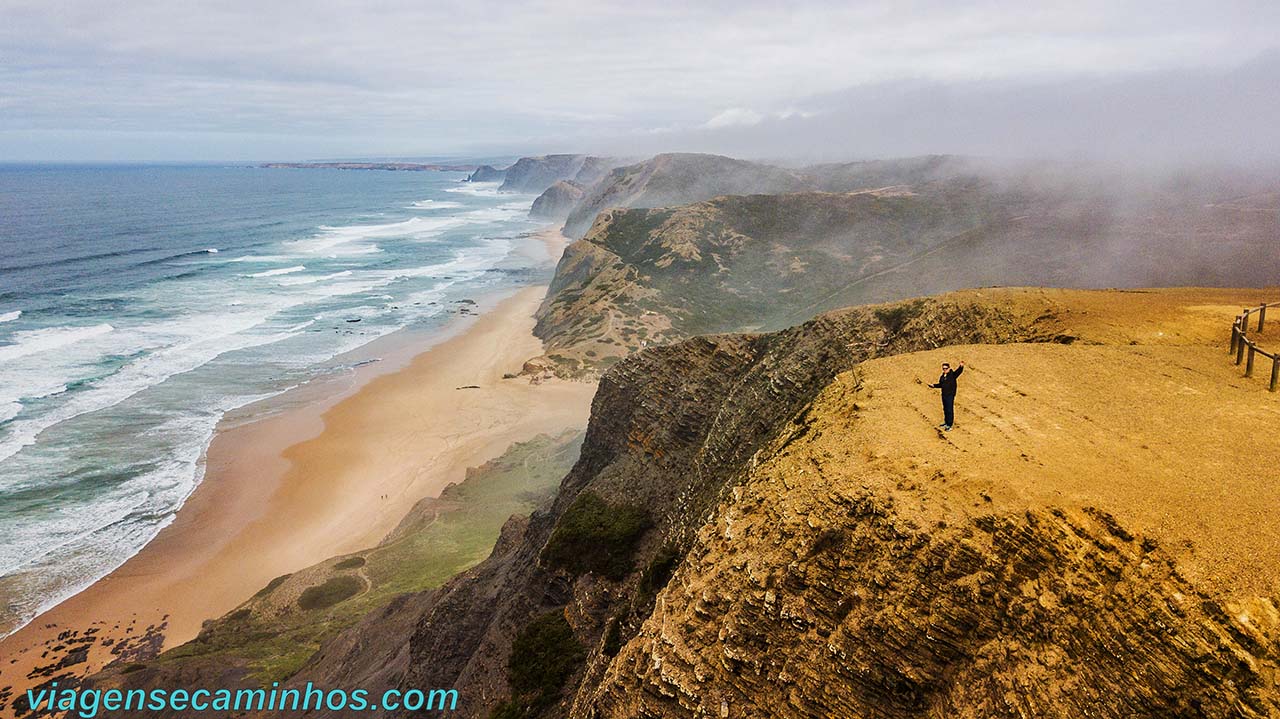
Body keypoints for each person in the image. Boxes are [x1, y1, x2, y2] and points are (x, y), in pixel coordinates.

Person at [928, 361, 964, 431]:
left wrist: (961, 366)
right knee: (945, 409)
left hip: (950, 395)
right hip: (944, 395)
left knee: (949, 410)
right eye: (943, 369)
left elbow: (958, 372)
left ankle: (949, 425)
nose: (944, 370)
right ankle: (946, 422)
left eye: (946, 368)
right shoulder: (942, 376)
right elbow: (941, 385)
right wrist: (934, 386)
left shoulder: (952, 375)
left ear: (949, 368)